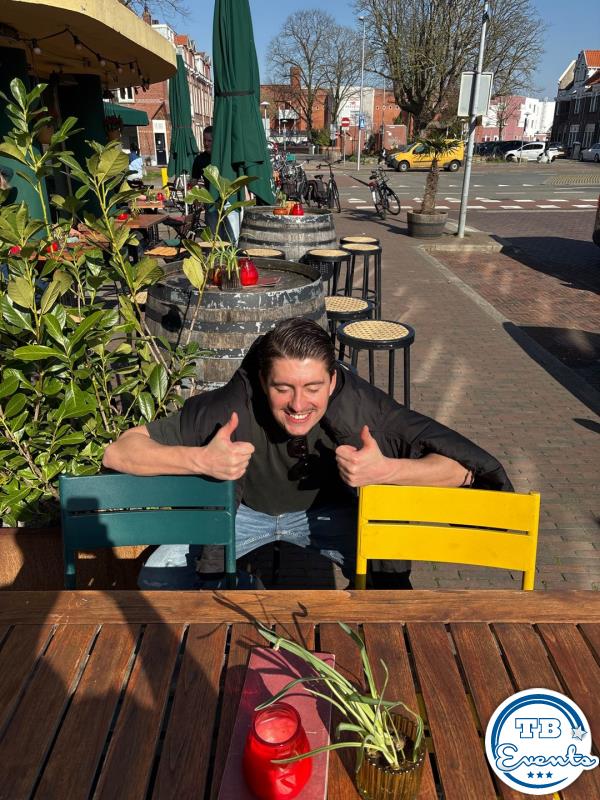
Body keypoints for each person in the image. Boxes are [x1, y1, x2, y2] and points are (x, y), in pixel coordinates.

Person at [103, 318, 512, 590]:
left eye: (313, 388)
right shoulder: (227, 408)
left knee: (385, 574)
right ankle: (239, 598)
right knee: (159, 577)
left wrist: (386, 470)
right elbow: (120, 452)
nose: (299, 404)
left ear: (333, 381)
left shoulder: (364, 409)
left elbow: (464, 469)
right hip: (244, 513)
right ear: (262, 381)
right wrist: (201, 460)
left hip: (328, 515)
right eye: (283, 388)